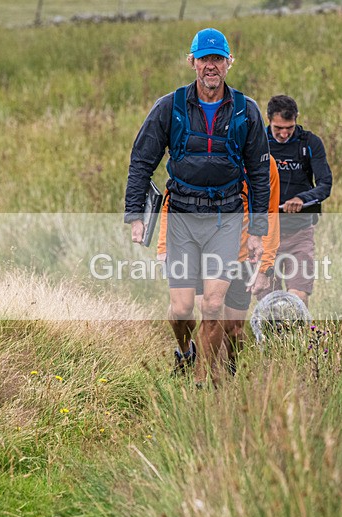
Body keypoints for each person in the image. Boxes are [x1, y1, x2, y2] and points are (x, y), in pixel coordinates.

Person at [124, 28, 270, 387]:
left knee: (213, 305)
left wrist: (258, 231)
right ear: (192, 62)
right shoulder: (170, 107)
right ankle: (185, 350)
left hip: (226, 218)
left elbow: (259, 173)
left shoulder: (246, 111)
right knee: (181, 310)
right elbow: (141, 161)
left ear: (229, 63)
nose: (211, 66)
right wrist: (135, 215)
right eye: (204, 59)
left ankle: (204, 382)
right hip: (181, 219)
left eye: (217, 59)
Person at [156, 155, 282, 374]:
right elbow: (172, 199)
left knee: (234, 329)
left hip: (243, 255)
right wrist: (163, 245)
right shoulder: (200, 150)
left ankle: (230, 370)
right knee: (204, 312)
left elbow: (270, 213)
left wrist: (265, 267)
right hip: (199, 248)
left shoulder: (264, 162)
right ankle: (197, 366)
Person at [266, 95, 333, 308]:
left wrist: (301, 199)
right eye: (278, 128)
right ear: (268, 120)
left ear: (297, 119)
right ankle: (275, 332)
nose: (284, 134)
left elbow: (325, 184)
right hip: (266, 234)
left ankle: (299, 329)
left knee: (297, 297)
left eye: (289, 128)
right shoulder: (256, 143)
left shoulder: (310, 143)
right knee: (270, 301)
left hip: (299, 233)